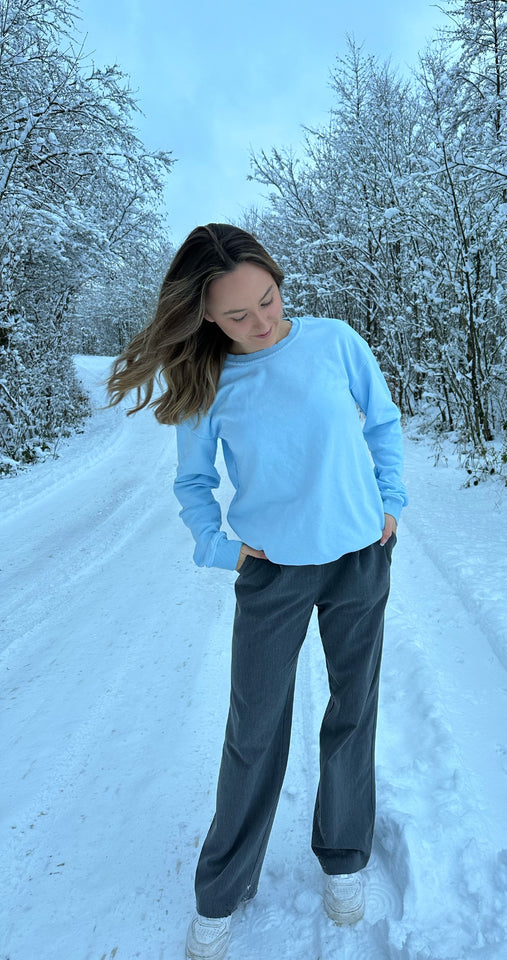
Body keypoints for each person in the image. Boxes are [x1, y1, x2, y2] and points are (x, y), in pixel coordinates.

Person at [106, 223, 408, 960]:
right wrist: (219, 547)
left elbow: (384, 423)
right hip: (273, 572)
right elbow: (192, 483)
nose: (262, 322)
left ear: (277, 280)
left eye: (268, 299)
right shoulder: (209, 383)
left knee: (353, 712)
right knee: (254, 731)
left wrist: (390, 503)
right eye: (238, 315)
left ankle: (344, 856)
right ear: (206, 316)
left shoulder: (336, 341)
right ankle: (222, 889)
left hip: (361, 557)